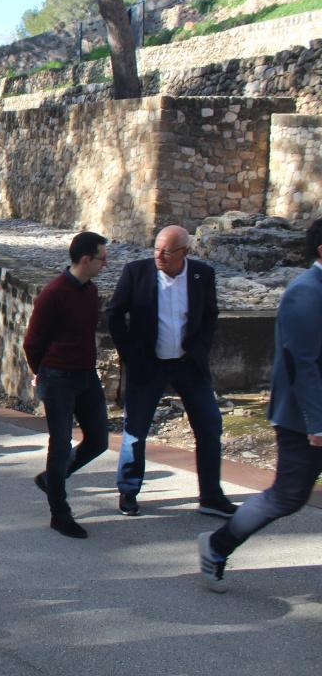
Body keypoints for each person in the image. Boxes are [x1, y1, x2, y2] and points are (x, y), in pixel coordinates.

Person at [198, 219, 322, 592]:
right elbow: (302, 363)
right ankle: (217, 545)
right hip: (304, 419)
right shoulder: (307, 293)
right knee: (287, 496)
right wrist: (316, 423)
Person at [108, 224, 236, 519]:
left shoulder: (202, 275)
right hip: (147, 365)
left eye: (166, 251)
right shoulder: (136, 272)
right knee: (136, 431)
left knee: (209, 426)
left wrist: (199, 349)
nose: (159, 256)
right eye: (156, 249)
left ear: (185, 253)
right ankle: (128, 490)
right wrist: (131, 355)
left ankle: (211, 496)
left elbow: (209, 316)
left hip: (189, 366)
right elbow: (115, 314)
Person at [22, 232, 112, 539]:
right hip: (58, 377)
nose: (105, 264)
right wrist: (42, 374)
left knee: (98, 439)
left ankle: (52, 478)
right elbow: (32, 342)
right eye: (102, 258)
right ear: (85, 260)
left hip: (85, 375)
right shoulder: (54, 293)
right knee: (59, 444)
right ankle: (59, 512)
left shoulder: (90, 291)